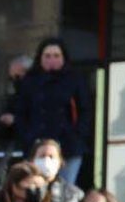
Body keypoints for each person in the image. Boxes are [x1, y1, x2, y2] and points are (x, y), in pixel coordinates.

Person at [11, 38, 90, 184]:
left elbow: (84, 111)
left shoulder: (75, 80)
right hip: (36, 146)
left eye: (56, 55)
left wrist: (77, 134)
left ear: (63, 58)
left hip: (68, 147)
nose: (51, 59)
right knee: (36, 186)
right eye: (47, 56)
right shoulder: (30, 81)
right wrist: (27, 136)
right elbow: (21, 112)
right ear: (40, 58)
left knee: (65, 190)